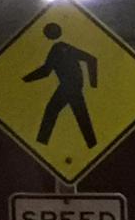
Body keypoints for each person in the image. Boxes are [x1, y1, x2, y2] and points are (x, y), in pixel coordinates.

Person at [23, 21, 99, 149]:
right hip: (74, 85)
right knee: (80, 115)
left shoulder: (58, 48)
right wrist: (91, 84)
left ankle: (41, 144)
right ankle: (93, 145)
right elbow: (91, 59)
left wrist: (25, 79)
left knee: (52, 111)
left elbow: (46, 71)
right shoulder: (65, 47)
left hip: (68, 86)